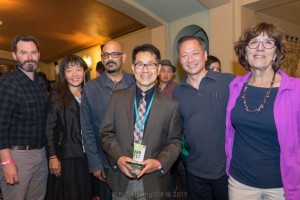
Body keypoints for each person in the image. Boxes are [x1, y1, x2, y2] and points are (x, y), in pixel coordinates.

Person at [225, 22, 300, 200]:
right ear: (245, 51)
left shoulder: (295, 90)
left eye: (268, 42)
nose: (260, 48)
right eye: (254, 42)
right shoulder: (235, 86)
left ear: (277, 52)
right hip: (239, 182)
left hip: (280, 186)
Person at [100, 43, 182, 199]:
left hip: (154, 183)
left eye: (150, 64)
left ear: (158, 69)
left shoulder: (171, 106)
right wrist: (119, 158)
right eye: (140, 64)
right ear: (133, 67)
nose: (145, 70)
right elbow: (106, 133)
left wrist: (158, 163)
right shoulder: (117, 98)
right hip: (121, 180)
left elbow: (175, 142)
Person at [172, 36, 234, 200]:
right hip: (194, 171)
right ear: (180, 60)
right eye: (184, 55)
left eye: (195, 53)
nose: (190, 59)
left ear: (205, 55)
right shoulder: (177, 93)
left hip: (227, 171)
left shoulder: (228, 81)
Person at [81, 40, 135, 200]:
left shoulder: (136, 83)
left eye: (114, 54)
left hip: (134, 160)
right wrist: (95, 164)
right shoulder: (91, 88)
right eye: (105, 55)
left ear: (123, 58)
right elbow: (87, 129)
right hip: (105, 163)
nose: (110, 58)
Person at [0, 35, 48, 200]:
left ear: (38, 55)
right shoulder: (7, 84)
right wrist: (7, 163)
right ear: (14, 55)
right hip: (17, 156)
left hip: (41, 154)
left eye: (33, 52)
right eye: (23, 52)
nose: (29, 57)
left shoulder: (41, 83)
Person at [44, 55, 92, 200]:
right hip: (67, 156)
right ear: (63, 74)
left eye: (78, 69)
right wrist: (52, 156)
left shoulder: (90, 93)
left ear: (84, 71)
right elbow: (48, 129)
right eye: (69, 70)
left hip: (88, 155)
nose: (75, 74)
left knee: (86, 193)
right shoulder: (56, 96)